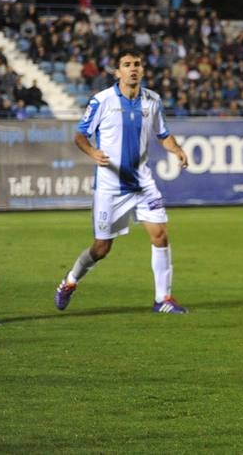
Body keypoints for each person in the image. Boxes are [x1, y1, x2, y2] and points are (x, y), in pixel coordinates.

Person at [54, 50, 192, 314]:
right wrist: (93, 152)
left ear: (142, 69)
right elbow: (80, 136)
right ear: (117, 72)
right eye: (127, 65)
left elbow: (163, 134)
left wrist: (176, 149)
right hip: (110, 188)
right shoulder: (101, 101)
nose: (133, 69)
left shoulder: (152, 100)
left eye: (137, 64)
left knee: (161, 235)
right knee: (101, 248)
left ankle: (163, 299)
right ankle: (70, 281)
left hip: (143, 184)